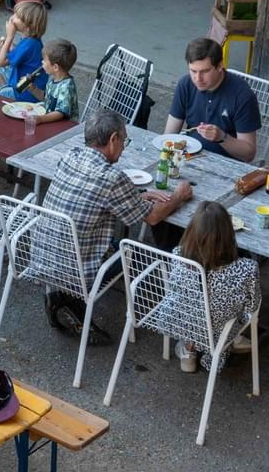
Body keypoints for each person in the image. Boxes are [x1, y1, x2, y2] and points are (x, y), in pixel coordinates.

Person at [39, 110, 192, 337]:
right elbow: (153, 217)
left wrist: (135, 196)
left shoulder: (70, 156)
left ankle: (64, 299)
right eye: (124, 140)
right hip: (79, 272)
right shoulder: (112, 178)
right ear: (113, 139)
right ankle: (118, 317)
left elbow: (90, 193)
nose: (123, 146)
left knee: (104, 236)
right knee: (130, 249)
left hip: (43, 258)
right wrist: (179, 195)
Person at [163, 201, 261, 373]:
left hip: (181, 320)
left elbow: (175, 290)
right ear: (229, 232)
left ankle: (189, 351)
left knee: (192, 306)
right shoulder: (247, 268)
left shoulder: (178, 255)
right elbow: (251, 309)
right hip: (220, 328)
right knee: (235, 311)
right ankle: (224, 345)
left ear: (191, 231)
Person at [164, 37, 261, 161]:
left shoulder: (242, 95)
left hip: (225, 163)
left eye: (205, 71)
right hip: (189, 157)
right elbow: (169, 135)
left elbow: (248, 154)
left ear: (220, 66)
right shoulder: (185, 84)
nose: (198, 78)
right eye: (193, 71)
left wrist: (222, 137)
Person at [0, 0, 48, 102]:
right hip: (22, 81)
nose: (12, 18)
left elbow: (1, 62)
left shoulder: (29, 44)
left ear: (28, 24)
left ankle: (11, 98)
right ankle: (8, 88)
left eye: (17, 16)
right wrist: (7, 45)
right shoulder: (31, 40)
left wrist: (9, 37)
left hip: (25, 93)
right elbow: (18, 54)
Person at [34, 39, 79, 124]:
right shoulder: (53, 80)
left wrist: (41, 119)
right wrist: (33, 89)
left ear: (55, 67)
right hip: (51, 123)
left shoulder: (66, 86)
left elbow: (60, 113)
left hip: (64, 128)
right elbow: (46, 98)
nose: (42, 62)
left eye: (44, 60)